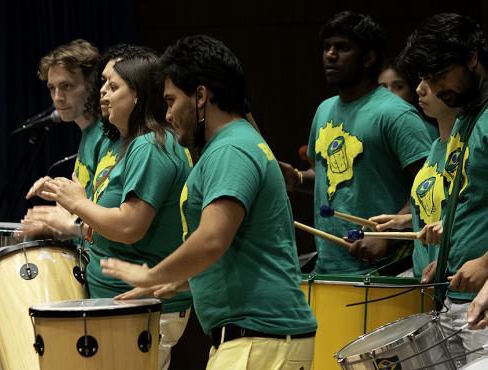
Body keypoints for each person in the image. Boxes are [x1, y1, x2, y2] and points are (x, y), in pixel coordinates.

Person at [100, 34, 317, 370]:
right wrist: (172, 281)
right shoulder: (234, 144)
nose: (168, 115)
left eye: (171, 101)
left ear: (200, 96)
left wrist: (150, 273)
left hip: (260, 337)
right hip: (257, 338)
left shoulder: (230, 149)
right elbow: (237, 252)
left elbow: (214, 238)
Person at [39, 46, 192, 370]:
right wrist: (73, 196)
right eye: (103, 85)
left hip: (144, 307)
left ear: (137, 94)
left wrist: (78, 204)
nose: (103, 94)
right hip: (121, 305)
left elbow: (129, 226)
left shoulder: (151, 146)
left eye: (112, 86)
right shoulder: (133, 145)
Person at [282, 11, 432, 275]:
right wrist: (297, 178)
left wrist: (387, 235)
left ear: (368, 58)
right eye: (327, 47)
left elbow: (429, 189)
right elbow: (328, 179)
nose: (330, 55)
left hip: (388, 271)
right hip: (329, 268)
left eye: (342, 48)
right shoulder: (324, 110)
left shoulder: (395, 114)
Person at [398, 12, 488, 365]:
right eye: (427, 79)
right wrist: (447, 250)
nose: (434, 89)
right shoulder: (466, 118)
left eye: (440, 76)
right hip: (454, 300)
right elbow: (470, 202)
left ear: (472, 57)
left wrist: (484, 261)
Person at [370, 78, 459, 279]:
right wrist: (409, 220)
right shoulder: (436, 145)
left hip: (453, 281)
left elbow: (473, 218)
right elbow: (440, 212)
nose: (419, 88)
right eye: (420, 79)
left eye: (431, 79)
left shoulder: (466, 148)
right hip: (426, 282)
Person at [20, 39, 106, 240]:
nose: (57, 97)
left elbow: (109, 226)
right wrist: (52, 223)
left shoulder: (107, 135)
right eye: (52, 88)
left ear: (93, 85)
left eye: (66, 86)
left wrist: (65, 223)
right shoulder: (88, 136)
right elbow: (86, 218)